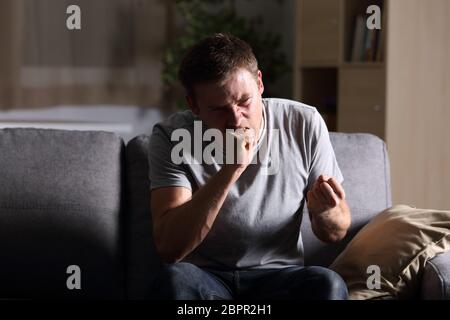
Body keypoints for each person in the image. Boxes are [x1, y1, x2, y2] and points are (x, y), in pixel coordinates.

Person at [148, 33, 351, 300]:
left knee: (329, 284)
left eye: (244, 102)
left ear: (259, 84)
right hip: (206, 279)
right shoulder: (171, 136)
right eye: (219, 109)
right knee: (175, 281)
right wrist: (231, 170)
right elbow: (169, 249)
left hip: (279, 277)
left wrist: (326, 212)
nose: (236, 120)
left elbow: (336, 232)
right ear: (194, 105)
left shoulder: (304, 122)